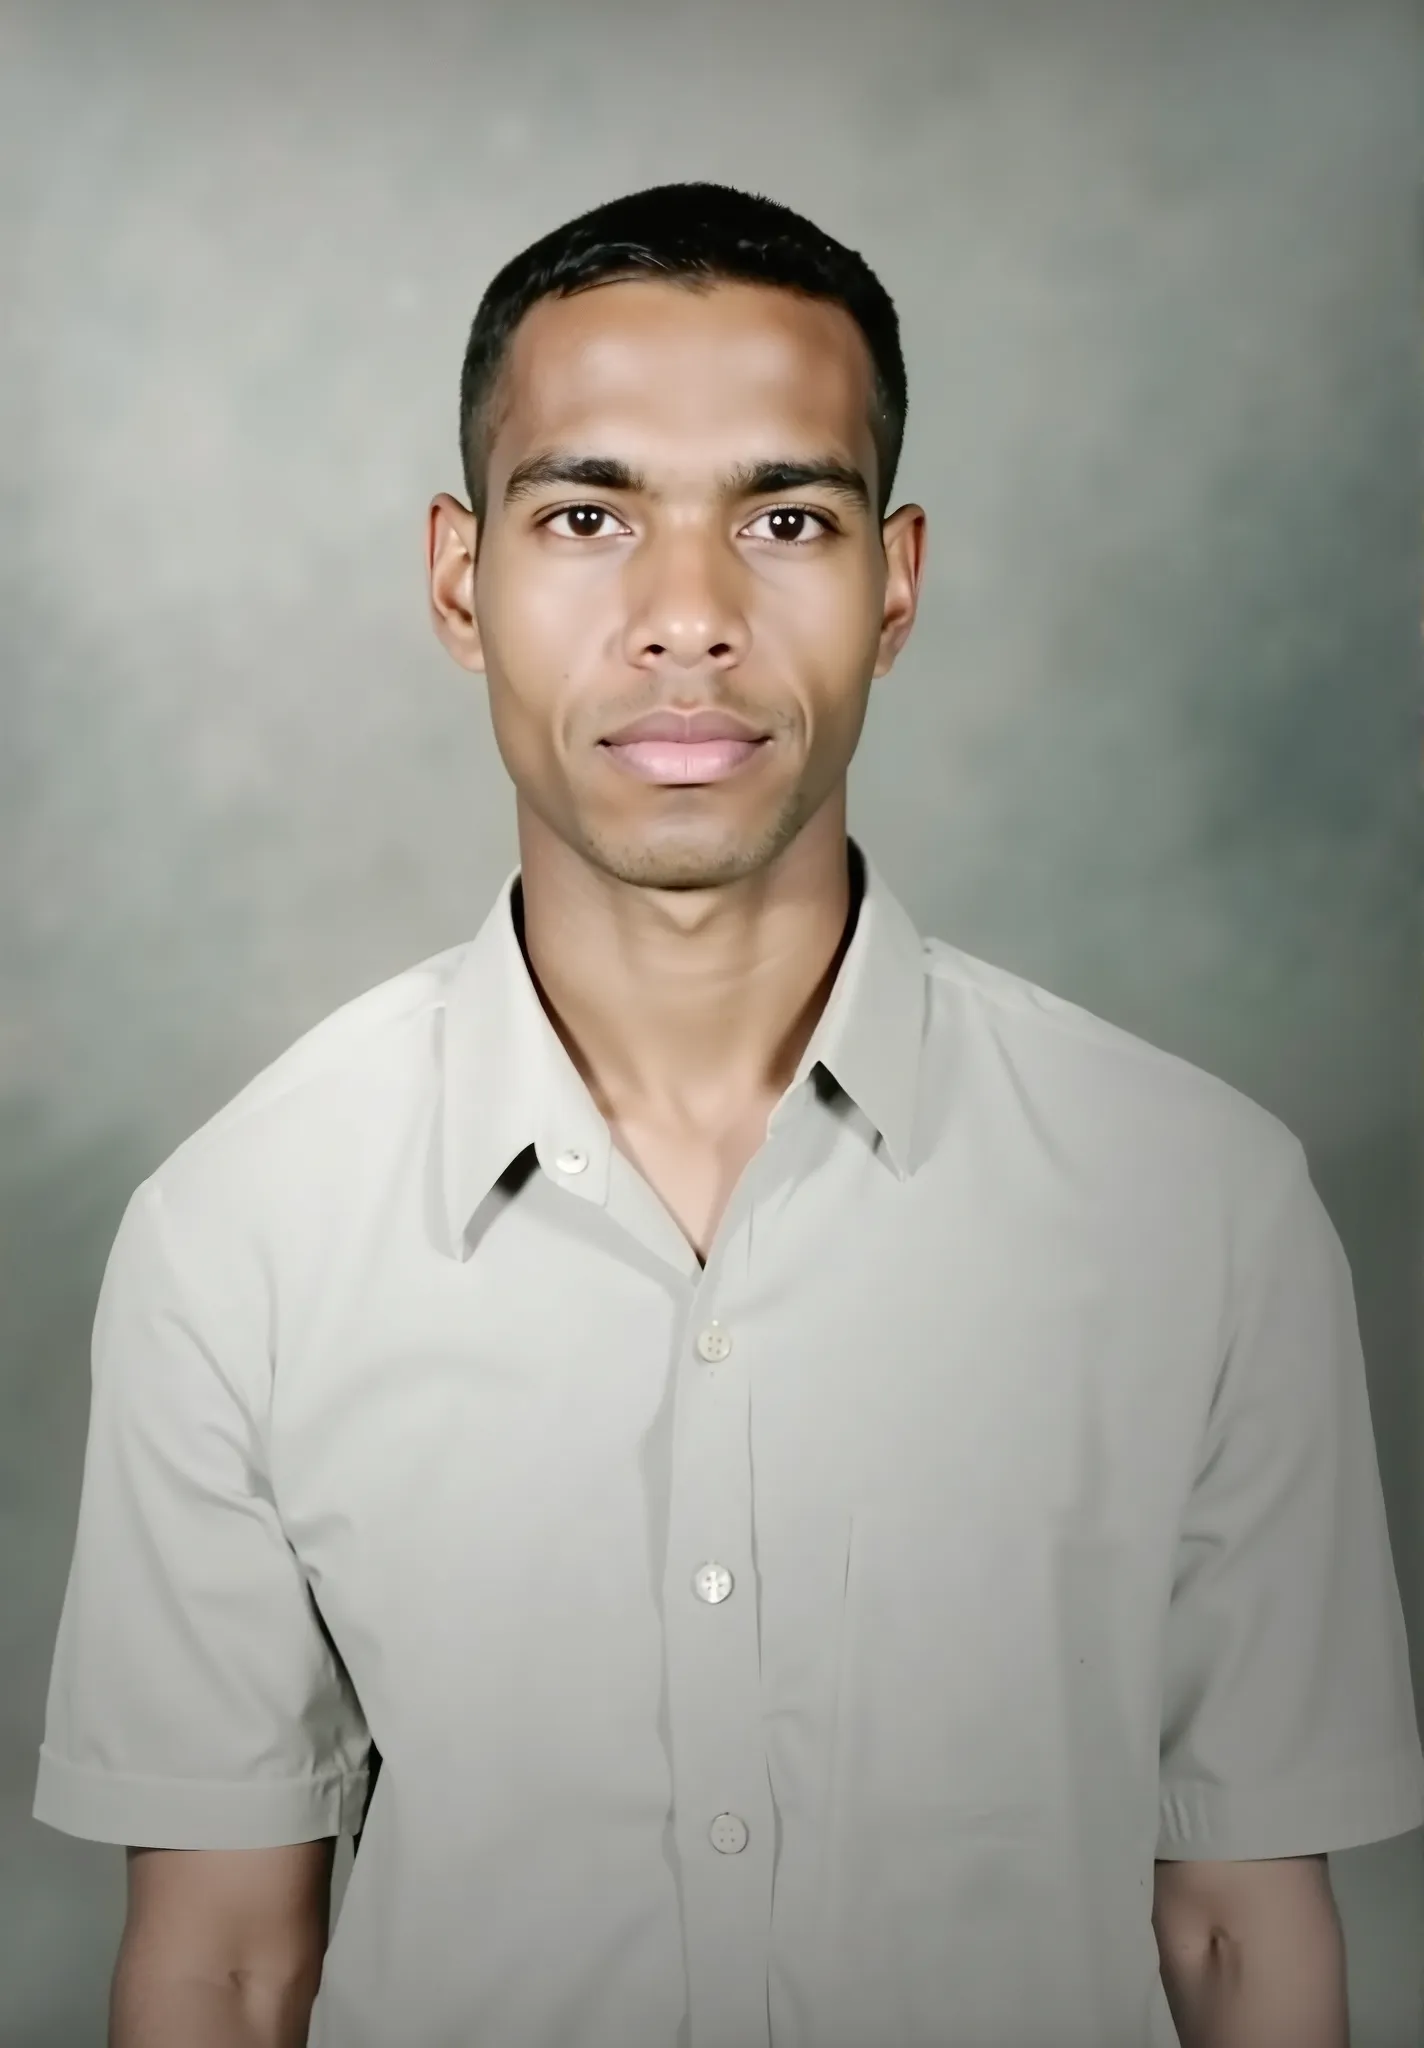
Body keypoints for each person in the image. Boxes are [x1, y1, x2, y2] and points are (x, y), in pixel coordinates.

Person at [32, 180, 1424, 2048]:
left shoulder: (1210, 1214)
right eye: (587, 515)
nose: (686, 619)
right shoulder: (237, 1238)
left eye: (784, 518)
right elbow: (223, 1963)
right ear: (461, 580)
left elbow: (1245, 1935)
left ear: (897, 580)